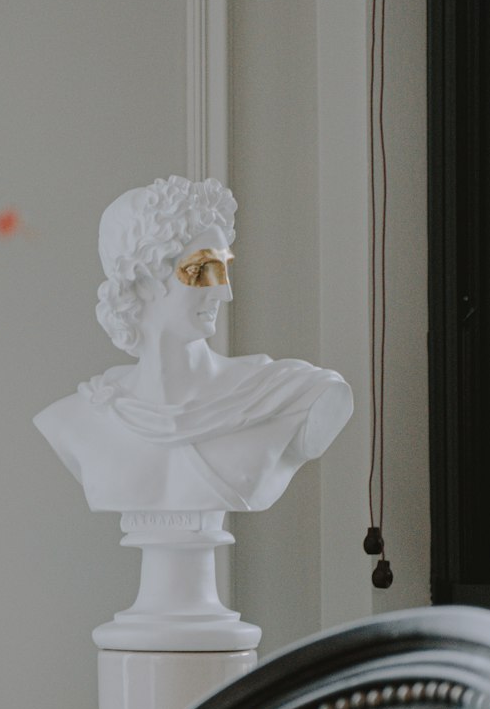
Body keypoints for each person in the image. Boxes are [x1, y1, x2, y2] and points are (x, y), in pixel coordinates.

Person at [34, 176, 353, 514]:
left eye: (224, 269)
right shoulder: (76, 418)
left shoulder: (288, 394)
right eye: (203, 270)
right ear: (143, 282)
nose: (224, 293)